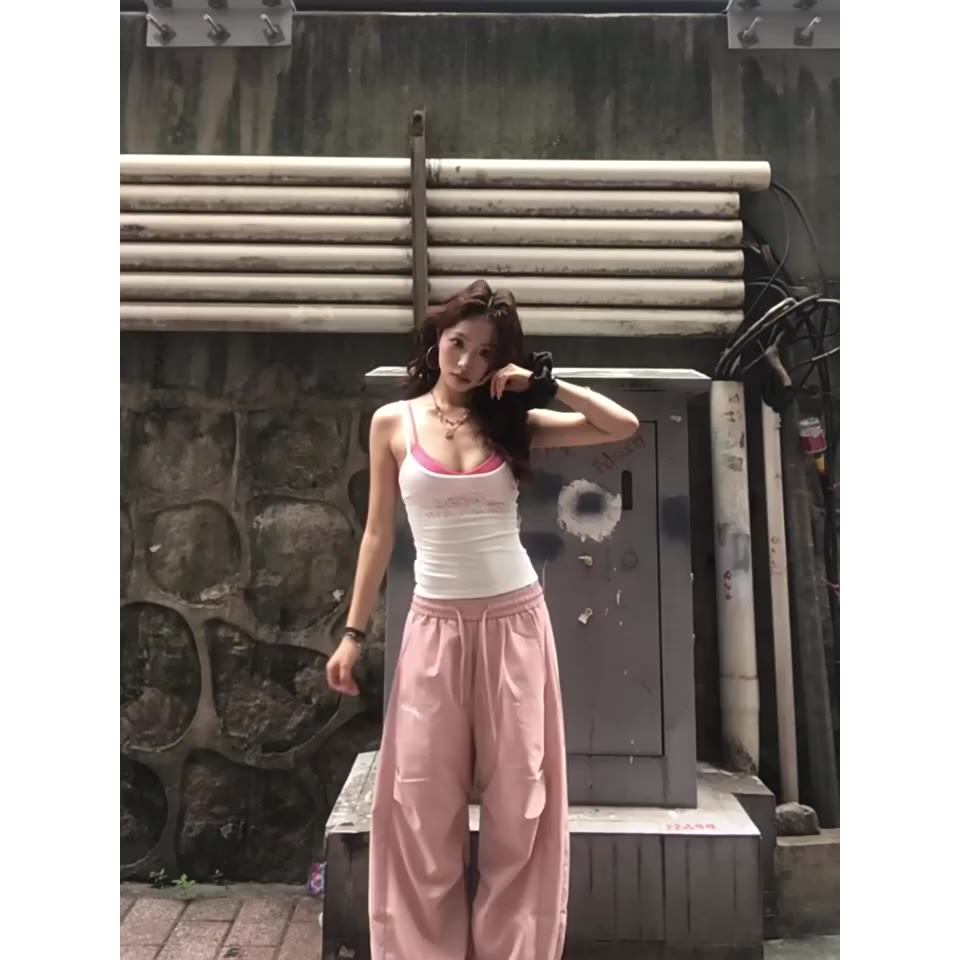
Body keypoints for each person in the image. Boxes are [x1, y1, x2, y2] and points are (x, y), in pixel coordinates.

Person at [325, 279, 639, 960]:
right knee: (419, 804)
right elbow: (377, 534)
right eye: (457, 343)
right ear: (435, 340)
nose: (466, 362)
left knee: (520, 805)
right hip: (433, 629)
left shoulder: (512, 422)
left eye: (485, 353)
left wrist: (544, 385)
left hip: (514, 625)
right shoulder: (393, 423)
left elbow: (623, 426)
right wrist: (352, 635)